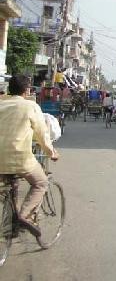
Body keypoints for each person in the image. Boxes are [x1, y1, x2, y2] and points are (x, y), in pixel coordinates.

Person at [0, 75, 59, 236]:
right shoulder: (30, 106)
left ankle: (12, 222)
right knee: (41, 182)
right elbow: (42, 134)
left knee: (10, 185)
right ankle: (24, 216)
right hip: (19, 158)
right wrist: (51, 152)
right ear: (27, 90)